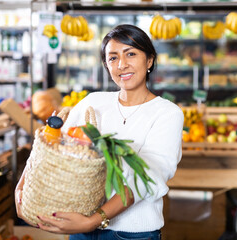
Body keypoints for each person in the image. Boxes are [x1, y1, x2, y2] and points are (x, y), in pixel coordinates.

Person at [15, 24, 184, 240]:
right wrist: (21, 189)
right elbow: (50, 149)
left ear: (149, 60)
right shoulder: (92, 103)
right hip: (80, 228)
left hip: (131, 234)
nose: (122, 64)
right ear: (106, 65)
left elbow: (148, 178)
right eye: (113, 58)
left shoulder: (167, 113)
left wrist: (95, 219)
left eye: (130, 54)